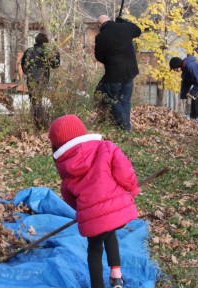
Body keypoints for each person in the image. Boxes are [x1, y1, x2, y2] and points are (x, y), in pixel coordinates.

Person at [48, 114, 140, 288]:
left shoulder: (65, 166)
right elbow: (124, 171)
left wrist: (83, 210)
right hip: (115, 213)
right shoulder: (105, 147)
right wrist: (132, 188)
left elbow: (67, 193)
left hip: (93, 220)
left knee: (94, 249)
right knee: (110, 231)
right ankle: (116, 276)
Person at [94, 14, 142, 132]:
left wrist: (109, 59)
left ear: (100, 25)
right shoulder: (125, 27)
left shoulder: (100, 37)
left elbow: (99, 57)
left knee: (112, 100)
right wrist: (124, 22)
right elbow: (138, 31)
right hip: (130, 72)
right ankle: (125, 127)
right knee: (125, 100)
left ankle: (125, 128)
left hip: (113, 74)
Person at [21, 32, 60, 129]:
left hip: (31, 80)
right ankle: (39, 123)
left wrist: (29, 74)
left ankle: (36, 122)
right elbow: (55, 65)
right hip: (42, 80)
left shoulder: (28, 51)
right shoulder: (46, 52)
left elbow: (24, 66)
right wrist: (57, 54)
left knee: (33, 101)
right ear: (45, 42)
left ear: (36, 40)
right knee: (38, 100)